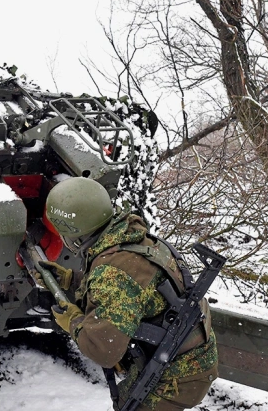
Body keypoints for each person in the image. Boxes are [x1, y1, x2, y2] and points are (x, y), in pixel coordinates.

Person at [41, 176, 218, 411]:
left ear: (73, 233)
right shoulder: (129, 239)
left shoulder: (114, 271)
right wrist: (70, 281)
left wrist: (73, 322)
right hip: (188, 359)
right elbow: (126, 292)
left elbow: (104, 349)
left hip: (175, 375)